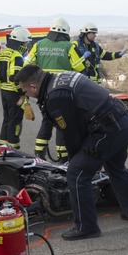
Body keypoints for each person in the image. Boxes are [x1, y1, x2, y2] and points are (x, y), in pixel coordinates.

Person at [14, 64, 128, 240]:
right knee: (115, 167)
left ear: (33, 87)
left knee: (76, 174)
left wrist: (75, 161)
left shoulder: (55, 96)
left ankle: (86, 227)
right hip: (123, 121)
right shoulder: (60, 78)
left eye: (25, 91)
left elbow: (71, 133)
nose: (26, 95)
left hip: (109, 129)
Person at [24, 18, 84, 161]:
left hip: (43, 90)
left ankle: (39, 154)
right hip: (62, 90)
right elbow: (80, 68)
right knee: (63, 123)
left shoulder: (39, 45)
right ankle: (63, 157)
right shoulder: (69, 46)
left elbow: (28, 64)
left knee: (47, 120)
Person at [0, 27, 33, 149]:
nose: (27, 45)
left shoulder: (3, 53)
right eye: (26, 42)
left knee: (7, 120)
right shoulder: (17, 56)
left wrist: (3, 87)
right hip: (14, 94)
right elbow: (16, 78)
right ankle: (13, 149)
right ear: (20, 43)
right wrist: (22, 93)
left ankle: (3, 147)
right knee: (15, 122)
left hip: (5, 93)